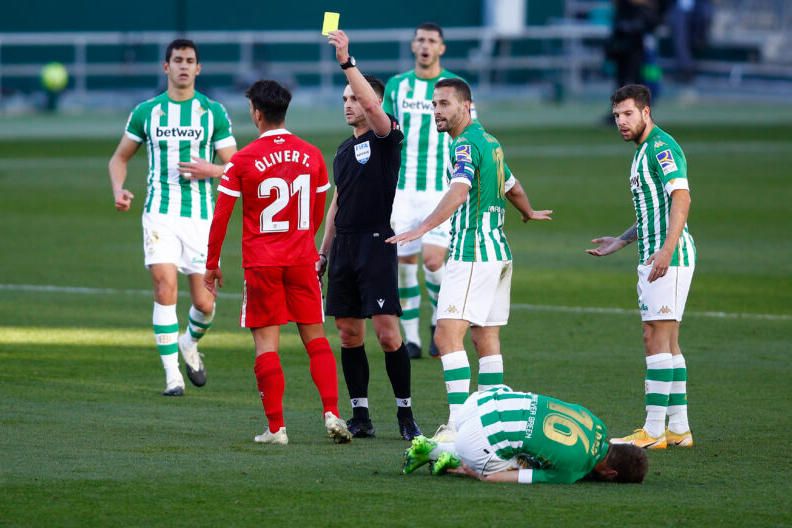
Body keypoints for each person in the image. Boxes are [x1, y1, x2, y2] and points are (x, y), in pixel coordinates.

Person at [387, 78, 552, 441]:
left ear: (466, 106)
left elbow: (459, 191)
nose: (437, 112)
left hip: (472, 251)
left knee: (446, 336)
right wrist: (528, 212)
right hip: (499, 252)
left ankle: (459, 425)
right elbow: (513, 185)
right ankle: (494, 420)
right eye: (434, 105)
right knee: (485, 337)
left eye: (445, 104)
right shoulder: (490, 142)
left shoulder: (463, 146)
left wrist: (423, 227)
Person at [203, 80, 351, 445]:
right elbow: (318, 212)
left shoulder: (243, 159)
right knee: (315, 339)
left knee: (266, 345)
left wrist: (212, 263)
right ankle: (331, 412)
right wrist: (302, 241)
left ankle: (276, 429)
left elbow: (221, 216)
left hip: (262, 264)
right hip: (301, 260)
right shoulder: (312, 155)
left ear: (256, 113)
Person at [108, 39, 237, 396]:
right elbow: (119, 158)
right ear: (166, 67)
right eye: (177, 60)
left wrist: (210, 168)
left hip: (200, 219)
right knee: (165, 287)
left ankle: (189, 343)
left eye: (190, 61)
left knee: (204, 303)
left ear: (198, 69)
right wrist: (119, 190)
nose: (183, 66)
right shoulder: (146, 111)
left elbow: (235, 167)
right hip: (159, 214)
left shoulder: (213, 112)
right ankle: (172, 377)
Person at [318, 30, 421, 441]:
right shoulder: (343, 150)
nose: (348, 104)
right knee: (348, 332)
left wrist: (346, 61)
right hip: (343, 246)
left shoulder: (386, 138)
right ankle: (360, 415)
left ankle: (405, 414)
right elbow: (337, 205)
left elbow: (374, 105)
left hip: (377, 243)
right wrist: (322, 254)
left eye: (354, 98)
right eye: (344, 99)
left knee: (387, 334)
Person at [587, 84, 695, 449]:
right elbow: (653, 212)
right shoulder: (641, 152)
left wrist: (667, 249)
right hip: (655, 252)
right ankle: (679, 429)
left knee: (655, 337)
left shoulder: (661, 147)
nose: (621, 121)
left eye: (628, 114)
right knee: (670, 341)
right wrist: (621, 240)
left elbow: (681, 196)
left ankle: (652, 431)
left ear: (646, 112)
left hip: (667, 257)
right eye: (617, 115)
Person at [383, 22, 476, 360]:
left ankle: (439, 325)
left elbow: (470, 131)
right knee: (404, 262)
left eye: (432, 41)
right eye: (420, 40)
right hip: (403, 190)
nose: (425, 45)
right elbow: (386, 131)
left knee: (435, 261)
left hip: (440, 188)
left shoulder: (455, 87)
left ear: (441, 48)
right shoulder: (397, 86)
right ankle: (412, 339)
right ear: (413, 46)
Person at [402, 386, 648, 485]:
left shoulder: (597, 424)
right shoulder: (571, 472)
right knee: (523, 462)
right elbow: (505, 479)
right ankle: (443, 452)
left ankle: (450, 440)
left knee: (526, 431)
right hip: (475, 441)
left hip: (478, 402)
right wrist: (480, 475)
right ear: (611, 473)